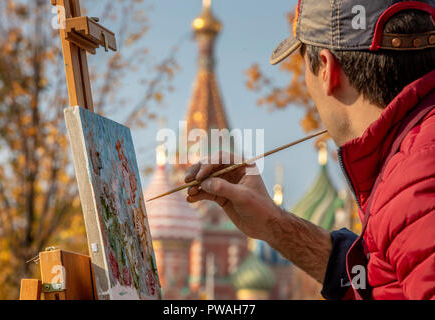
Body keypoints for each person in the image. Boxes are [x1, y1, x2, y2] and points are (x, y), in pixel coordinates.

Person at [185, 0, 435, 300]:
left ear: (328, 70)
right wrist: (275, 225)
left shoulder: (417, 181)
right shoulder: (408, 156)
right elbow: (376, 282)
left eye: (303, 64)